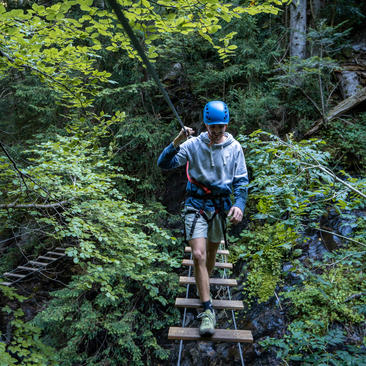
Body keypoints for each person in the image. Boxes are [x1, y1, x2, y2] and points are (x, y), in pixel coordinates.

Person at [157, 101, 248, 336]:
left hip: (219, 206)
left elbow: (241, 182)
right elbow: (164, 164)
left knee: (209, 259)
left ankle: (202, 285)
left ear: (226, 124)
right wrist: (176, 142)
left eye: (221, 126)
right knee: (198, 254)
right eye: (212, 126)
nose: (217, 130)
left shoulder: (234, 147)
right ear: (206, 124)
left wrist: (239, 204)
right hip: (195, 205)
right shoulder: (192, 145)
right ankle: (207, 310)